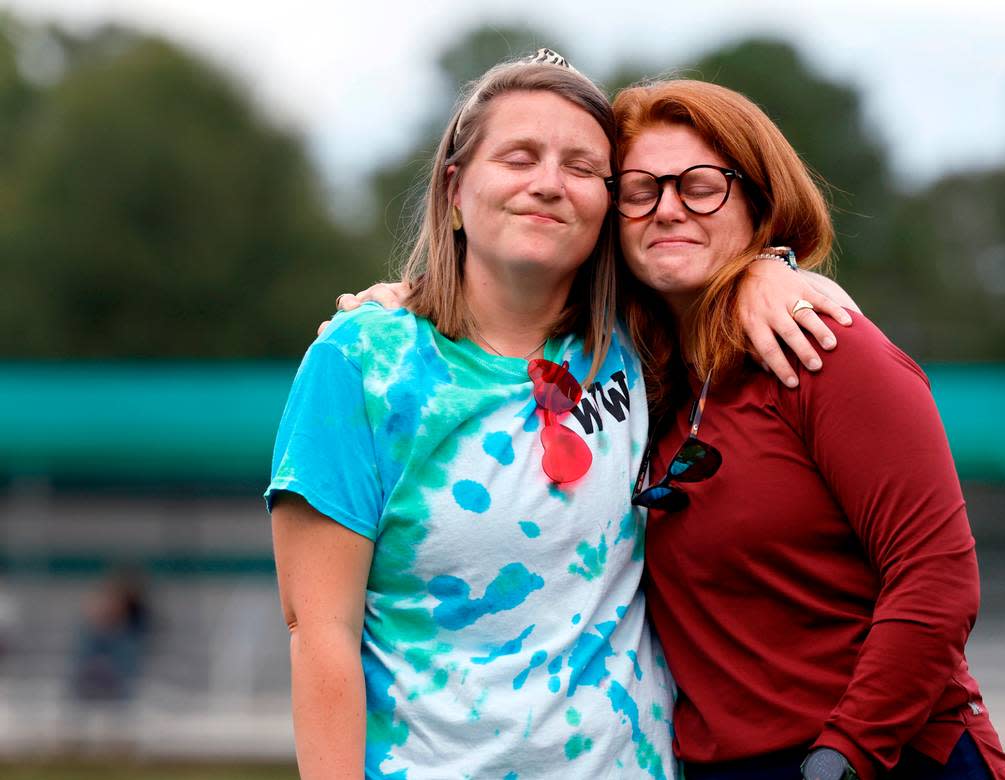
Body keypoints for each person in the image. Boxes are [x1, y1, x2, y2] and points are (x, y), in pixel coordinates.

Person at [268, 52, 853, 780]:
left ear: (608, 204)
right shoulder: (361, 364)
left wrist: (771, 265)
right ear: (455, 188)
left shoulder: (643, 344)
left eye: (582, 167)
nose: (549, 183)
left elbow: (716, 255)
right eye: (519, 157)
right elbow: (320, 634)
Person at [613, 79, 1005, 779]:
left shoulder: (824, 347)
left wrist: (844, 755)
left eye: (700, 185)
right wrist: (408, 305)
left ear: (759, 204)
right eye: (640, 189)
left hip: (876, 756)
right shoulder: (633, 377)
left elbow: (936, 578)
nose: (668, 208)